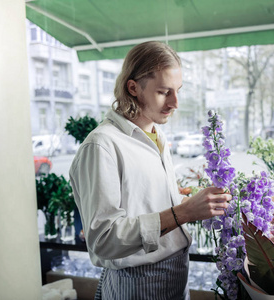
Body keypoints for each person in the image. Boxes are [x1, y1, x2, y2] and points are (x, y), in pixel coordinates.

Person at [69, 41, 231, 300]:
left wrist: (200, 205)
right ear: (133, 87)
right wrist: (185, 211)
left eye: (177, 90)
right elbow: (103, 240)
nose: (175, 102)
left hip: (176, 274)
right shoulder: (101, 146)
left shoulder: (157, 135)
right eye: (164, 92)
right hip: (138, 283)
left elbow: (151, 205)